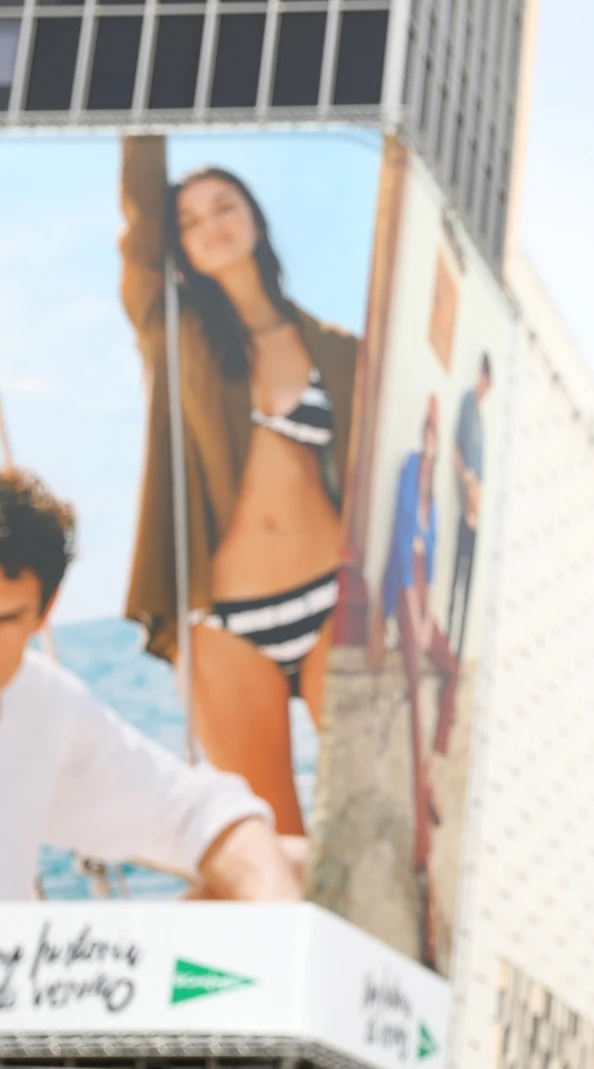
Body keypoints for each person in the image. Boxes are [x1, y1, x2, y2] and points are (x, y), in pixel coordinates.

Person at [119, 135, 358, 837]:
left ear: (254, 218)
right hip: (225, 621)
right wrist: (141, 122)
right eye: (188, 221)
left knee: (366, 825)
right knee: (277, 841)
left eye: (224, 207)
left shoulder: (336, 347)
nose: (209, 226)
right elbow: (139, 234)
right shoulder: (175, 335)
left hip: (334, 600)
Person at [0, 469, 301, 902]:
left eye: (6, 619)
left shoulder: (42, 704)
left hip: (33, 965)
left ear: (45, 614)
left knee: (295, 866)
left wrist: (280, 912)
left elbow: (189, 814)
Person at [378, 398, 458, 965]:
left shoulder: (437, 484)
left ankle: (431, 771)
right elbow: (403, 548)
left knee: (450, 674)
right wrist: (412, 615)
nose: (431, 441)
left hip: (424, 593)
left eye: (437, 431)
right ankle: (419, 840)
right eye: (428, 430)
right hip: (404, 594)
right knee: (416, 706)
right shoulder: (412, 470)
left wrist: (432, 617)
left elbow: (433, 553)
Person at [446, 355, 490, 660]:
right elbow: (456, 450)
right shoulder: (466, 404)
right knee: (456, 575)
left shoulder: (481, 421)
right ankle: (450, 637)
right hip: (465, 498)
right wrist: (465, 486)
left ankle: (460, 647)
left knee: (469, 574)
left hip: (475, 505)